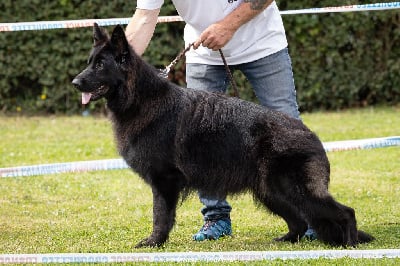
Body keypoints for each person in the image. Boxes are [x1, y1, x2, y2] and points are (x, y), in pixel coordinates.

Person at [125, 0, 317, 242]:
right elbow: (143, 18)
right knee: (197, 142)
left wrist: (227, 26)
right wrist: (118, 63)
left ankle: (311, 215)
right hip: (203, 52)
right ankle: (215, 218)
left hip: (264, 45)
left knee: (288, 130)